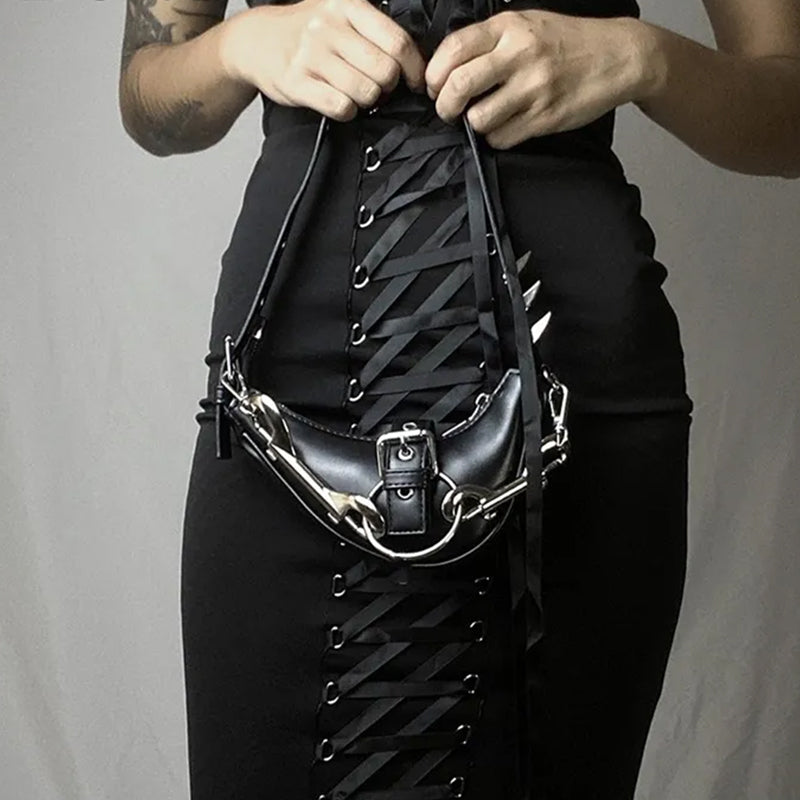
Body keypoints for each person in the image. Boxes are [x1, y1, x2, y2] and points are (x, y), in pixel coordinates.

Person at [118, 1, 800, 798]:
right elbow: (147, 94)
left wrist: (642, 58)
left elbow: (788, 110)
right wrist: (243, 44)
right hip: (287, 405)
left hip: (568, 397)